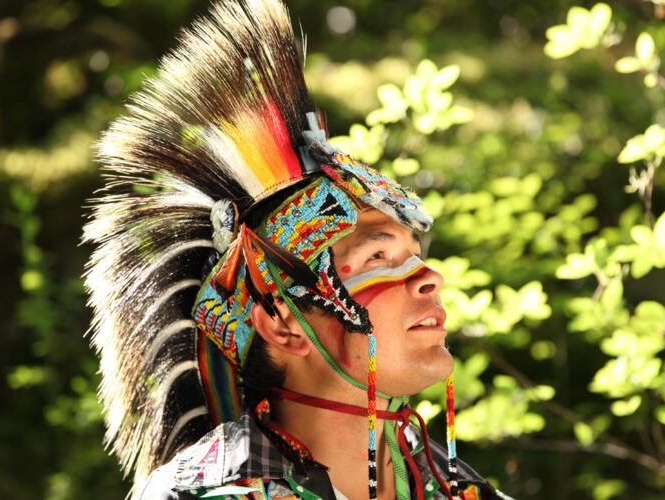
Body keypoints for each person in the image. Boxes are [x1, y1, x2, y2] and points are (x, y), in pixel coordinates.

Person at [83, 1, 512, 499]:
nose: (429, 277)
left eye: (415, 255)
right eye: (378, 257)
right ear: (282, 323)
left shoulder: (461, 490)